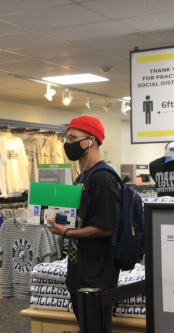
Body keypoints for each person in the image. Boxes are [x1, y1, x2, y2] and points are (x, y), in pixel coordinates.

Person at [47, 115, 121, 333]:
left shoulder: (103, 177)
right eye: (66, 137)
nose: (67, 143)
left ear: (91, 140)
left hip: (97, 272)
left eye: (72, 137)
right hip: (79, 269)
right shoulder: (82, 177)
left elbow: (108, 226)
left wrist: (69, 233)